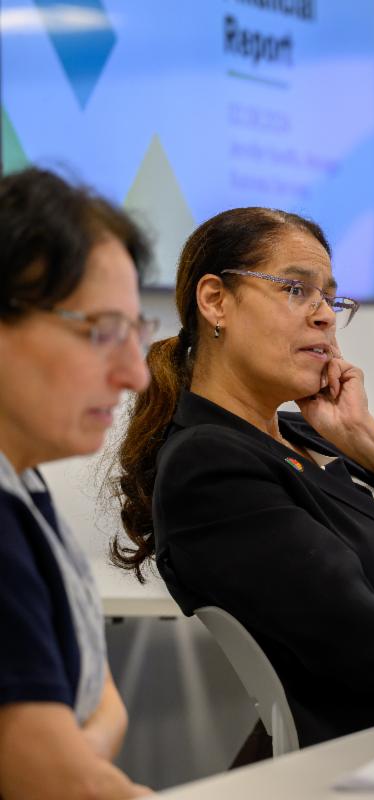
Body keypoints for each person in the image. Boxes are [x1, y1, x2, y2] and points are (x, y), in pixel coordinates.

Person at [111, 207, 374, 751]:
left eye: (330, 297)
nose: (325, 315)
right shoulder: (209, 464)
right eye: (296, 290)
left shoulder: (315, 432)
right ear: (215, 301)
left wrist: (367, 438)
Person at [0, 168, 155, 799]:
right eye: (101, 332)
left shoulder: (23, 487)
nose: (135, 375)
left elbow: (102, 700)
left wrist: (72, 754)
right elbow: (50, 779)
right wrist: (71, 760)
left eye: (133, 333)